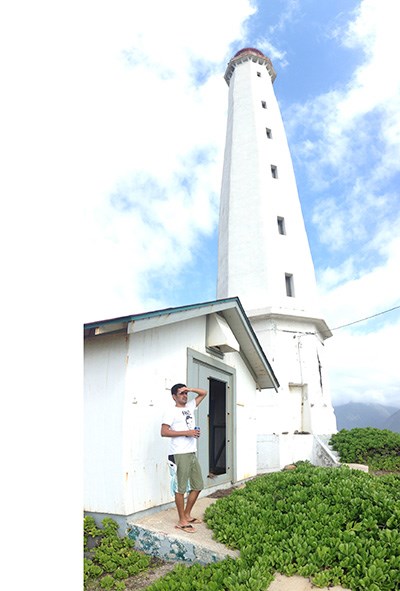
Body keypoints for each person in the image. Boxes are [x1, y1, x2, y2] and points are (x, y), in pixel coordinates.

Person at [161, 383, 207, 533]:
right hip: (179, 453)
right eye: (181, 393)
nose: (184, 396)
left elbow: (203, 393)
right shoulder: (171, 411)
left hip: (191, 452)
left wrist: (191, 389)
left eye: (185, 393)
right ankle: (181, 521)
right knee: (180, 488)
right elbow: (164, 432)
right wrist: (186, 432)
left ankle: (187, 514)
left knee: (198, 485)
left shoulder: (189, 407)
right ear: (174, 396)